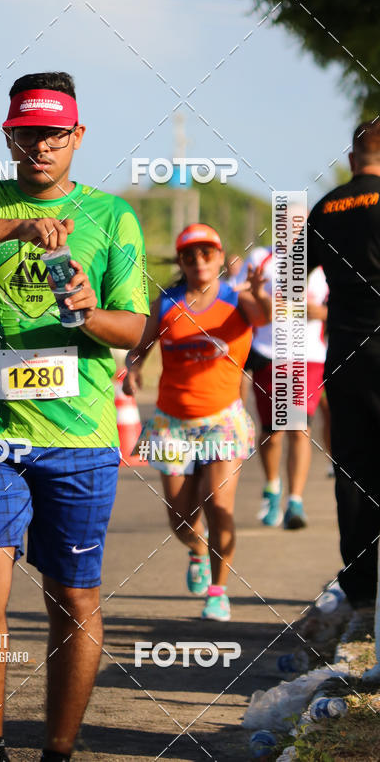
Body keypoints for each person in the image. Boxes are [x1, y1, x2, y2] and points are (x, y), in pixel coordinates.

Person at [0, 71, 149, 762]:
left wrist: (85, 313)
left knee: (72, 598)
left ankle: (59, 751)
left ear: (77, 135)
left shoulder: (112, 216)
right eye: (28, 132)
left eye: (55, 132)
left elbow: (136, 328)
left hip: (80, 438)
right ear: (10, 135)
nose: (41, 145)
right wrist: (13, 225)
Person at [123, 224, 271, 622]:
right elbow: (140, 349)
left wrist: (257, 291)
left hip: (222, 421)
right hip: (173, 423)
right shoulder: (167, 303)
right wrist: (133, 370)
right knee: (180, 516)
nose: (200, 261)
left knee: (219, 505)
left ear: (220, 258)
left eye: (207, 253)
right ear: (181, 261)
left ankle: (219, 592)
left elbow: (265, 316)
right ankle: (196, 549)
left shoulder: (237, 300)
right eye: (190, 255)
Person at [307, 119, 380, 611]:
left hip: (347, 356)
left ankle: (361, 594)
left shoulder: (326, 207)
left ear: (353, 158)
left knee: (353, 471)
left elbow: (289, 284)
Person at [235, 246, 328, 528]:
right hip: (269, 353)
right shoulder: (260, 258)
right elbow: (236, 293)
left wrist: (319, 312)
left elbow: (340, 306)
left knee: (300, 427)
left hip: (309, 356)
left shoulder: (324, 262)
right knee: (272, 433)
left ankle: (295, 501)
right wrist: (264, 301)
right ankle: (272, 487)